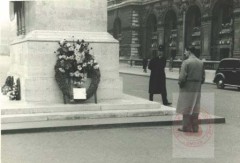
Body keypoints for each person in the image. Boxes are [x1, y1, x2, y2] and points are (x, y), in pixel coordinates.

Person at [176, 46, 205, 133]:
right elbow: (203, 77)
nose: (184, 53)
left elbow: (182, 77)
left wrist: (181, 84)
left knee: (186, 106)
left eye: (185, 51)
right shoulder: (201, 62)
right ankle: (195, 127)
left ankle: (185, 127)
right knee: (196, 107)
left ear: (189, 52)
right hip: (197, 87)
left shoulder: (186, 62)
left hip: (187, 86)